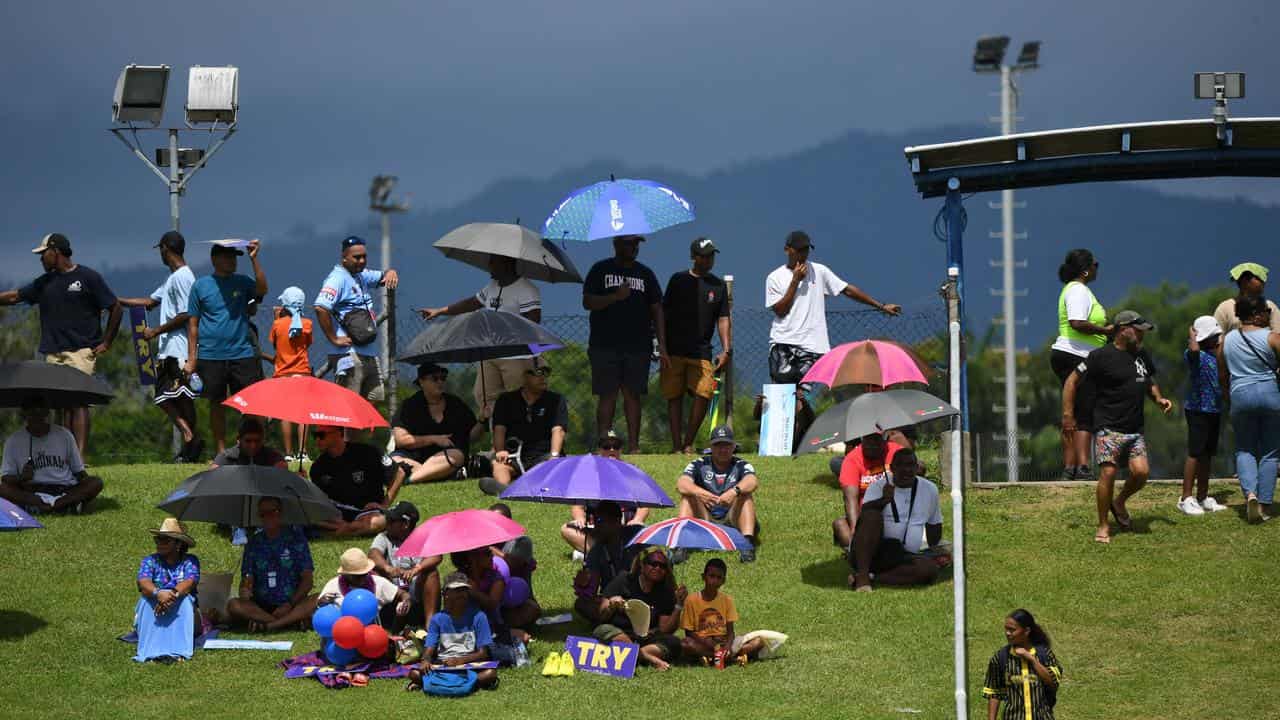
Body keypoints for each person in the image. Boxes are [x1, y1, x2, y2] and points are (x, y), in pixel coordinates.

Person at [765, 230, 899, 444]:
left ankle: (799, 442)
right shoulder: (775, 277)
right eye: (799, 250)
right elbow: (780, 310)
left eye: (806, 250)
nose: (803, 255)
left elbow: (846, 289)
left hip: (813, 347)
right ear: (787, 250)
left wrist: (880, 306)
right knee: (782, 395)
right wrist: (795, 282)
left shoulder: (819, 271)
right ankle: (782, 444)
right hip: (782, 343)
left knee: (799, 396)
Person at [0, 233, 122, 457]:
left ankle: (80, 458)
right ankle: (64, 456)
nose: (40, 259)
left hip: (81, 351)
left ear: (55, 252)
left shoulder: (87, 277)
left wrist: (106, 342)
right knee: (59, 404)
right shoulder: (45, 283)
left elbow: (115, 307)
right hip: (53, 353)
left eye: (42, 254)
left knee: (78, 401)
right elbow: (15, 296)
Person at [1063, 311, 1173, 543]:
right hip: (1108, 426)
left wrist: (1159, 398)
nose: (1143, 334)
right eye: (1139, 329)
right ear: (1123, 329)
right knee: (1109, 472)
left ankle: (1119, 501)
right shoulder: (1099, 357)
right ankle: (1103, 525)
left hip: (1134, 429)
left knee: (1141, 473)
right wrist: (1068, 415)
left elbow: (1149, 381)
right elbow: (1071, 381)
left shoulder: (1142, 355)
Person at [419, 255, 542, 418]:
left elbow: (534, 320)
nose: (489, 265)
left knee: (519, 397)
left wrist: (504, 325)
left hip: (517, 354)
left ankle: (520, 436)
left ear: (506, 263)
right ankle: (497, 436)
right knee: (484, 397)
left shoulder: (527, 289)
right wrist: (440, 311)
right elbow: (472, 303)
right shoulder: (492, 286)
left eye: (493, 262)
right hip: (490, 352)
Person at [117, 230, 200, 462]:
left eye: (161, 250)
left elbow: (186, 313)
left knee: (177, 397)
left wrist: (156, 331)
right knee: (167, 397)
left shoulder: (184, 277)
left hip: (179, 347)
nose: (160, 255)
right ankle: (190, 440)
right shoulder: (171, 279)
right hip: (168, 349)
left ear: (166, 248)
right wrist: (117, 301)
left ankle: (189, 440)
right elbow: (150, 302)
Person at [582, 234, 667, 453]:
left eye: (636, 244)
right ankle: (605, 443)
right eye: (629, 243)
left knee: (633, 394)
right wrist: (614, 297)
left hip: (638, 345)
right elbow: (588, 302)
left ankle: (634, 446)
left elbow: (657, 308)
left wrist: (662, 346)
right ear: (616, 244)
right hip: (604, 344)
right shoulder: (600, 270)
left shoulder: (645, 274)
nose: (634, 248)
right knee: (607, 393)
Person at [185, 239, 267, 456]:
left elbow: (262, 289)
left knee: (250, 405)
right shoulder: (201, 286)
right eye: (227, 257)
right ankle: (221, 450)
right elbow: (192, 324)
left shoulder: (242, 282)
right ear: (215, 259)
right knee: (217, 403)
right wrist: (191, 358)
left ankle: (252, 448)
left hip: (242, 353)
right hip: (211, 355)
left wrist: (254, 259)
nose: (232, 261)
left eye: (234, 257)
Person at [662, 237, 731, 454]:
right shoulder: (678, 280)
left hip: (702, 350)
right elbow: (663, 314)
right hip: (674, 349)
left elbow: (723, 319)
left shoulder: (717, 285)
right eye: (704, 255)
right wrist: (660, 346)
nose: (709, 259)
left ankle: (688, 442)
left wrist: (726, 349)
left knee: (704, 393)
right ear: (694, 257)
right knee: (674, 396)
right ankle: (675, 446)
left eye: (711, 255)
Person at [1217, 294, 1280, 524]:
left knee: (1245, 449)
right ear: (1256, 314)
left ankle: (1250, 494)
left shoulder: (1226, 341)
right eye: (1267, 311)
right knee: (1271, 451)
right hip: (1269, 394)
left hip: (1240, 395)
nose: (1269, 315)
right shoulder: (1272, 338)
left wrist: (1228, 397)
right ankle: (1264, 503)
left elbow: (1222, 373)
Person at [314, 236, 399, 401]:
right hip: (348, 354)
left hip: (369, 351)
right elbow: (321, 307)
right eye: (356, 257)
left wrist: (391, 272)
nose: (361, 261)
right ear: (344, 257)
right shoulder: (337, 279)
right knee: (349, 406)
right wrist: (334, 338)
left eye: (364, 256)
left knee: (376, 396)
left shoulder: (361, 275)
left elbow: (384, 274)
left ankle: (361, 428)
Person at [1050, 249, 1111, 481]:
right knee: (1084, 412)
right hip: (1077, 354)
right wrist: (1106, 330)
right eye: (1095, 264)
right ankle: (1082, 467)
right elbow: (1077, 322)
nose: (1097, 268)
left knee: (1071, 411)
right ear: (1085, 269)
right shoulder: (1078, 290)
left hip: (1072, 353)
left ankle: (1070, 468)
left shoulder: (1075, 289)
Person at [848, 448, 944, 591]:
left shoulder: (930, 489)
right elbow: (865, 519)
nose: (906, 470)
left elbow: (934, 526)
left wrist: (936, 552)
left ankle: (872, 577)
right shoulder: (878, 486)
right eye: (900, 465)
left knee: (929, 570)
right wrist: (883, 500)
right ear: (892, 468)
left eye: (911, 465)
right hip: (871, 553)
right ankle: (863, 576)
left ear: (917, 468)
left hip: (902, 555)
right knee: (872, 515)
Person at [225, 497, 319, 632]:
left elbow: (307, 580)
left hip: (292, 603)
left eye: (272, 512)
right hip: (261, 606)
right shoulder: (253, 543)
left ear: (280, 513)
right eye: (263, 514)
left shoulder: (297, 540)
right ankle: (287, 622)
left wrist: (289, 604)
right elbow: (247, 579)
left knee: (319, 598)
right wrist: (245, 589)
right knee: (234, 605)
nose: (267, 517)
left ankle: (271, 625)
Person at [0, 396, 103, 513]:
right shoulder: (13, 441)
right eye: (32, 412)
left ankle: (51, 506)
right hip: (32, 492)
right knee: (3, 489)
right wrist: (21, 477)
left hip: (64, 490)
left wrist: (87, 489)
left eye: (40, 412)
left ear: (47, 412)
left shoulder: (64, 435)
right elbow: (6, 478)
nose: (36, 416)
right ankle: (62, 507)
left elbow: (79, 472)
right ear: (24, 413)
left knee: (96, 482)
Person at [592, 546, 686, 671]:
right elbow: (601, 615)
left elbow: (665, 630)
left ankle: (629, 654)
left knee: (674, 643)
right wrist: (611, 605)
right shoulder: (624, 580)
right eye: (653, 564)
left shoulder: (665, 591)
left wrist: (679, 605)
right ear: (642, 565)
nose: (657, 568)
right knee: (603, 630)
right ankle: (647, 658)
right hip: (619, 632)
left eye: (662, 566)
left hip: (645, 639)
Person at [675, 425, 759, 563]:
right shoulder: (699, 464)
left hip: (733, 517)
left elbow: (752, 481)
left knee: (746, 495)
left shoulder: (741, 464)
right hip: (706, 518)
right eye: (718, 445)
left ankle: (747, 545)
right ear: (711, 447)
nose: (723, 449)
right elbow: (681, 484)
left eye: (727, 445)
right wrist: (699, 493)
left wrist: (734, 492)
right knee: (688, 496)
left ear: (733, 446)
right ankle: (681, 546)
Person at [560, 430, 649, 559]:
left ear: (620, 450)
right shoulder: (588, 474)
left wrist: (638, 519)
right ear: (599, 451)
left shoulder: (631, 472)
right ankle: (605, 553)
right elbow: (577, 506)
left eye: (616, 447)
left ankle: (590, 551)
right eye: (606, 447)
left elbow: (644, 503)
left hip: (625, 524)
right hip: (597, 526)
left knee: (644, 531)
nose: (611, 450)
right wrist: (580, 518)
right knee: (566, 529)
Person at [480, 364, 567, 495]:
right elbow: (499, 429)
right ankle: (504, 490)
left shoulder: (556, 399)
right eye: (538, 373)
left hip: (544, 455)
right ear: (525, 376)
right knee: (499, 466)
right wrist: (500, 451)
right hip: (514, 455)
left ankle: (537, 488)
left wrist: (554, 455)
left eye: (546, 373)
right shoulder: (505, 400)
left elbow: (558, 430)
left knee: (552, 466)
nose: (543, 377)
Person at [406, 572, 499, 691]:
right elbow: (429, 648)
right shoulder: (437, 619)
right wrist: (426, 660)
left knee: (490, 673)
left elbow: (483, 653)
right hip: (444, 665)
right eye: (457, 590)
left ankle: (436, 683)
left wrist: (460, 661)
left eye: (464, 590)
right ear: (445, 594)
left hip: (468, 666)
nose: (462, 594)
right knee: (414, 673)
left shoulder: (479, 616)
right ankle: (466, 684)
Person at [389, 363, 476, 490]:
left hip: (446, 457)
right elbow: (401, 440)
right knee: (393, 460)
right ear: (421, 382)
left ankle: (409, 480)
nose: (440, 382)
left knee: (457, 456)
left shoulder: (455, 403)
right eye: (435, 378)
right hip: (413, 457)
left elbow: (473, 435)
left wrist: (483, 419)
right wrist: (435, 439)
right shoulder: (409, 405)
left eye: (443, 378)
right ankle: (436, 474)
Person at [133, 518, 201, 662]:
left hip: (179, 605)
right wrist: (158, 594)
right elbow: (143, 582)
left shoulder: (190, 561)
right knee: (146, 600)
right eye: (158, 539)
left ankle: (178, 647)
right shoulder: (150, 561)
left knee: (185, 601)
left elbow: (190, 582)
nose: (160, 543)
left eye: (165, 540)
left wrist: (171, 595)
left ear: (178, 544)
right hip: (156, 605)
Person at [680, 558, 768, 667]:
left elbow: (731, 632)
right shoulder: (691, 600)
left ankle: (716, 657)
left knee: (759, 641)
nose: (714, 581)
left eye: (719, 578)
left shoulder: (727, 600)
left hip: (723, 642)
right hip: (703, 643)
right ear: (703, 577)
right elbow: (688, 632)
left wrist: (727, 647)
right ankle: (726, 657)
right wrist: (708, 643)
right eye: (711, 576)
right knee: (685, 643)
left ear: (723, 581)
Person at [1181, 316, 1228, 515]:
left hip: (1214, 409)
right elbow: (1192, 349)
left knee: (1208, 454)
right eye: (1214, 336)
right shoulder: (1194, 355)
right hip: (1197, 409)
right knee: (1195, 453)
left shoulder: (1216, 356)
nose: (1217, 338)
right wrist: (1192, 336)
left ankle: (1202, 496)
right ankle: (1186, 498)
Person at [370, 501, 442, 630]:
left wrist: (417, 569)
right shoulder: (383, 537)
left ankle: (430, 627)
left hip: (416, 589)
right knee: (375, 573)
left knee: (431, 574)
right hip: (392, 589)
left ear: (406, 524)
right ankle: (378, 624)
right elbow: (373, 554)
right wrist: (388, 568)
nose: (387, 523)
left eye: (391, 521)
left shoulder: (422, 537)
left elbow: (436, 556)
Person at [309, 425, 390, 535]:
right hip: (336, 515)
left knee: (377, 522)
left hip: (365, 512)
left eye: (321, 435)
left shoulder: (367, 452)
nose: (317, 440)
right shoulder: (317, 467)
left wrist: (384, 505)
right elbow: (319, 501)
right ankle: (349, 529)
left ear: (338, 433)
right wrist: (301, 482)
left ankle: (338, 531)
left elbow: (399, 473)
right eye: (315, 436)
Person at [262, 286, 312, 461]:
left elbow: (275, 345)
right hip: (303, 372)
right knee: (303, 413)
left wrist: (277, 318)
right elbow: (307, 344)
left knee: (286, 414)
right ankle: (303, 452)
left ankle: (289, 453)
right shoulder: (307, 324)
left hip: (283, 373)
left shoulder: (278, 324)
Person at [982, 609, 1062, 720]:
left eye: (1012, 630)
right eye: (1006, 629)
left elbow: (1053, 683)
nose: (1008, 633)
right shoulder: (1000, 658)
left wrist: (1032, 660)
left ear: (1026, 631)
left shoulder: (1044, 654)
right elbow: (994, 693)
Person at [572, 500, 644, 623]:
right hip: (611, 599)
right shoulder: (597, 550)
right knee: (581, 604)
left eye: (600, 521)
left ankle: (612, 620)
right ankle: (613, 618)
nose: (596, 527)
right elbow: (591, 591)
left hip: (639, 596)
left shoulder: (637, 537)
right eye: (594, 521)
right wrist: (583, 586)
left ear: (616, 521)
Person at [832, 432, 905, 551]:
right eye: (868, 440)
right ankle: (856, 549)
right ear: (862, 440)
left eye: (876, 440)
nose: (872, 445)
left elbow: (914, 469)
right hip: (867, 516)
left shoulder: (896, 451)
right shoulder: (852, 460)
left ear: (884, 440)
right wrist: (857, 532)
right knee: (840, 525)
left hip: (898, 512)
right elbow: (850, 499)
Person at [318, 548, 410, 629]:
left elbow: (403, 594)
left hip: (371, 636)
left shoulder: (378, 582)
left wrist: (405, 602)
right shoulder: (334, 585)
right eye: (357, 576)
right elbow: (321, 611)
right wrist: (322, 602)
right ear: (345, 574)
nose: (362, 579)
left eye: (365, 574)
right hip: (342, 635)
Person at [1213, 262, 1280, 334]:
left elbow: (1278, 334)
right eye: (1259, 278)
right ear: (1245, 281)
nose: (1263, 282)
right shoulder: (1225, 308)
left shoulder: (1270, 306)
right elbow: (1218, 338)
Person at [210, 417, 287, 469]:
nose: (253, 446)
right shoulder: (227, 457)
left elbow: (282, 467)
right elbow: (213, 471)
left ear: (263, 439)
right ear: (238, 440)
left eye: (257, 441)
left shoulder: (272, 456)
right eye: (248, 441)